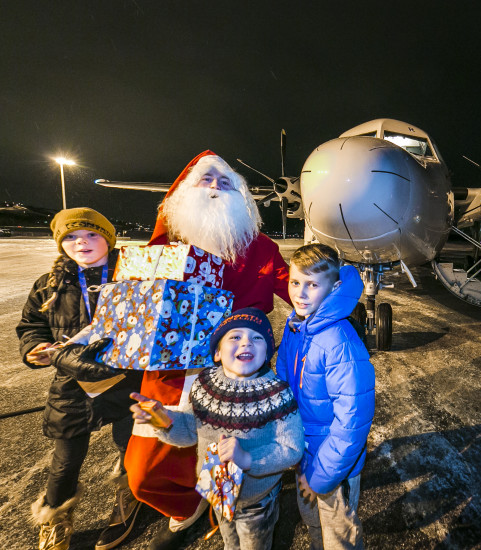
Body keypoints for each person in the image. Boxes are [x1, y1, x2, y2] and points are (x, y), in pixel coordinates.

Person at [124, 151, 291, 549]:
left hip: (234, 369)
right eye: (207, 180)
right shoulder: (164, 247)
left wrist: (336, 296)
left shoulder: (261, 247)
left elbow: (295, 286)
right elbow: (136, 309)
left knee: (226, 455)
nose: (216, 188)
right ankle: (186, 506)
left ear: (241, 196)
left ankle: (227, 507)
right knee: (144, 470)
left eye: (225, 181)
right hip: (170, 374)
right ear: (184, 192)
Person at [16, 208, 143, 550]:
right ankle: (55, 520)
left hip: (125, 380)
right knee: (65, 461)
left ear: (109, 238)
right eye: (71, 237)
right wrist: (34, 347)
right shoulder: (48, 284)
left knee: (129, 447)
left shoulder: (136, 277)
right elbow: (31, 327)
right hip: (71, 383)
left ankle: (128, 501)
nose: (81, 242)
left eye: (91, 234)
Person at [130, 308, 304, 550]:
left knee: (254, 543)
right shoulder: (203, 384)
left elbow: (292, 448)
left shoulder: (277, 393)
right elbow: (191, 430)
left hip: (256, 500)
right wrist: (163, 421)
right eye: (234, 337)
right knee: (229, 540)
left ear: (267, 354)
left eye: (257, 338)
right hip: (217, 489)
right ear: (216, 353)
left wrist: (248, 459)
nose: (246, 342)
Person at [275, 243, 375, 550]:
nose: (300, 294)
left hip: (333, 466)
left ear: (334, 287)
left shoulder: (339, 342)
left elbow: (352, 425)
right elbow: (282, 388)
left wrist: (321, 477)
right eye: (295, 282)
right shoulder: (295, 328)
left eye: (312, 285)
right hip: (303, 454)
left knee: (339, 536)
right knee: (314, 524)